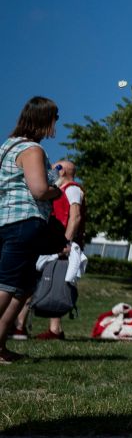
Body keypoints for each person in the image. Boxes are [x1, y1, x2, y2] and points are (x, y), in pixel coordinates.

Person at [0, 97, 62, 362]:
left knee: (23, 287)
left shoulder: (7, 146)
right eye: (54, 118)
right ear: (43, 119)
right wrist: (56, 190)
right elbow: (39, 189)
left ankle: (0, 347)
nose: (56, 123)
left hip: (7, 220)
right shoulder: (32, 150)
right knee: (7, 285)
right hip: (25, 222)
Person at [18, 158, 85, 341]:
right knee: (44, 282)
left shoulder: (71, 189)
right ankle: (49, 328)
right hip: (53, 243)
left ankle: (20, 326)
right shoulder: (61, 191)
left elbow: (75, 216)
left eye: (55, 167)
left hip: (59, 245)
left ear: (61, 170)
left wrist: (66, 242)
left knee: (42, 281)